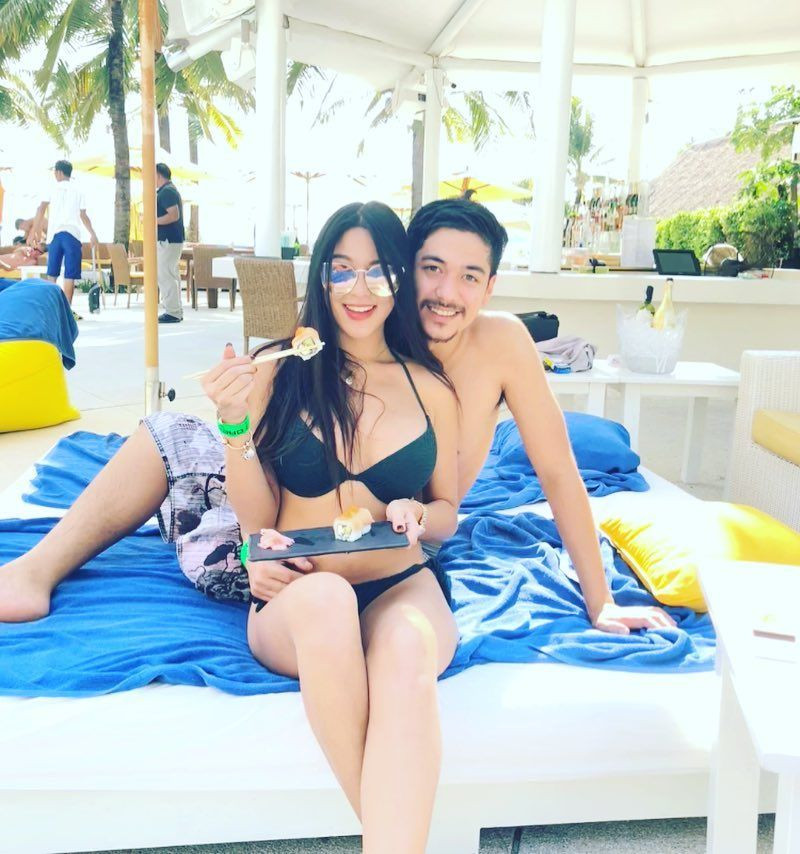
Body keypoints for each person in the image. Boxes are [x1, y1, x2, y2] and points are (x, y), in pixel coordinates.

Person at [0, 201, 459, 852]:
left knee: (409, 650)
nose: (359, 289)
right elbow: (257, 520)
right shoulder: (281, 369)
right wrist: (235, 423)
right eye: (341, 270)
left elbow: (447, 509)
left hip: (400, 583)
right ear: (321, 278)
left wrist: (420, 515)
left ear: (401, 279)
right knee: (328, 600)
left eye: (378, 271)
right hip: (299, 591)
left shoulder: (430, 388)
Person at [407, 198, 675, 635]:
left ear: (489, 287)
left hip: (419, 546)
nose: (447, 293)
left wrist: (602, 602)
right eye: (432, 268)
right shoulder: (375, 335)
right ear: (407, 270)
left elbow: (557, 469)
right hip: (338, 534)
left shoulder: (503, 343)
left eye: (469, 276)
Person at [29, 159, 99, 308]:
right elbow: (83, 215)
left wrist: (34, 232)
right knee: (70, 274)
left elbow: (41, 209)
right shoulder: (78, 190)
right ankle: (67, 309)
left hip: (55, 236)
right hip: (72, 235)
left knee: (52, 274)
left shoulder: (51, 188)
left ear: (59, 172)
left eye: (55, 172)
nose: (54, 174)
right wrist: (92, 234)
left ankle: (51, 308)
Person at [155, 162, 185, 324]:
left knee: (165, 274)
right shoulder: (169, 190)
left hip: (168, 240)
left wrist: (153, 220)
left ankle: (173, 312)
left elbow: (174, 215)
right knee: (170, 274)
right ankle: (175, 310)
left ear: (158, 175)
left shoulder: (167, 192)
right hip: (172, 239)